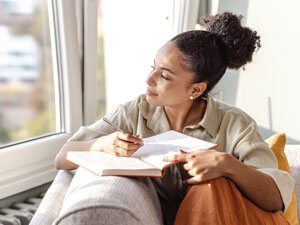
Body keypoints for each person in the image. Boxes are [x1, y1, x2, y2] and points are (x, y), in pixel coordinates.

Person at [55, 12, 294, 225]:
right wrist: (99, 144)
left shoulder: (235, 124)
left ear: (195, 90)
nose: (149, 79)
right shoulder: (135, 112)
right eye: (153, 67)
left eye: (164, 75)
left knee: (213, 185)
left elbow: (275, 197)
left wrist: (227, 165)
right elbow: (63, 156)